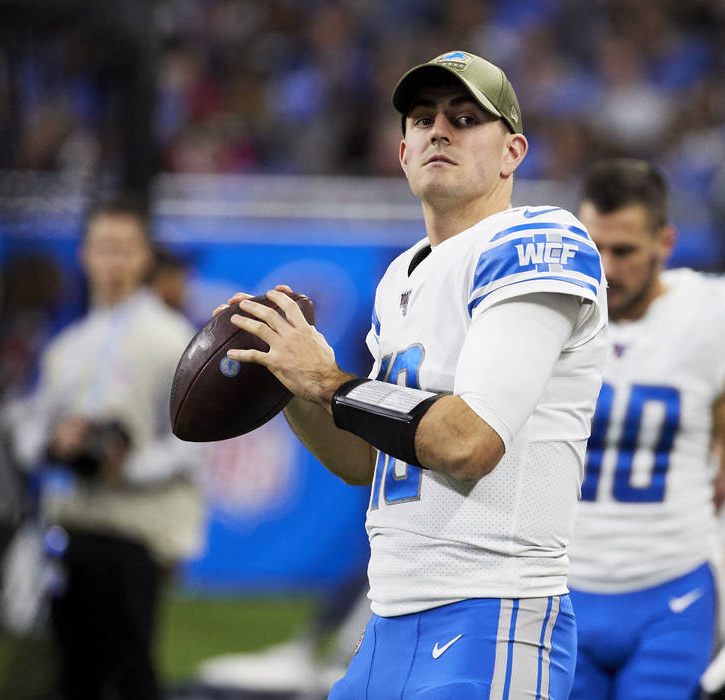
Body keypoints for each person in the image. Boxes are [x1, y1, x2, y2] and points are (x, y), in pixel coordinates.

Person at [218, 50, 607, 699]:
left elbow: (468, 442)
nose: (439, 130)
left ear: (512, 152)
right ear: (402, 154)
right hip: (389, 619)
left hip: (492, 615)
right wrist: (283, 380)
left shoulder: (539, 240)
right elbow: (367, 460)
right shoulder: (404, 273)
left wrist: (327, 383)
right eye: (422, 119)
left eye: (464, 117)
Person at [567, 158, 725, 700]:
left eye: (625, 252)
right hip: (560, 587)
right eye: (594, 248)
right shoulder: (547, 313)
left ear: (665, 242)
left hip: (672, 588)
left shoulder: (716, 315)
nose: (608, 269)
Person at [9, 196, 206, 700]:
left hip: (133, 534)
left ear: (144, 257)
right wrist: (54, 446)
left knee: (130, 672)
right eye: (104, 247)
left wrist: (127, 466)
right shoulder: (66, 346)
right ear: (84, 255)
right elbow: (27, 427)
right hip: (71, 526)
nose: (114, 260)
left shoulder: (172, 339)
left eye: (125, 248)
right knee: (72, 673)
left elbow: (192, 443)